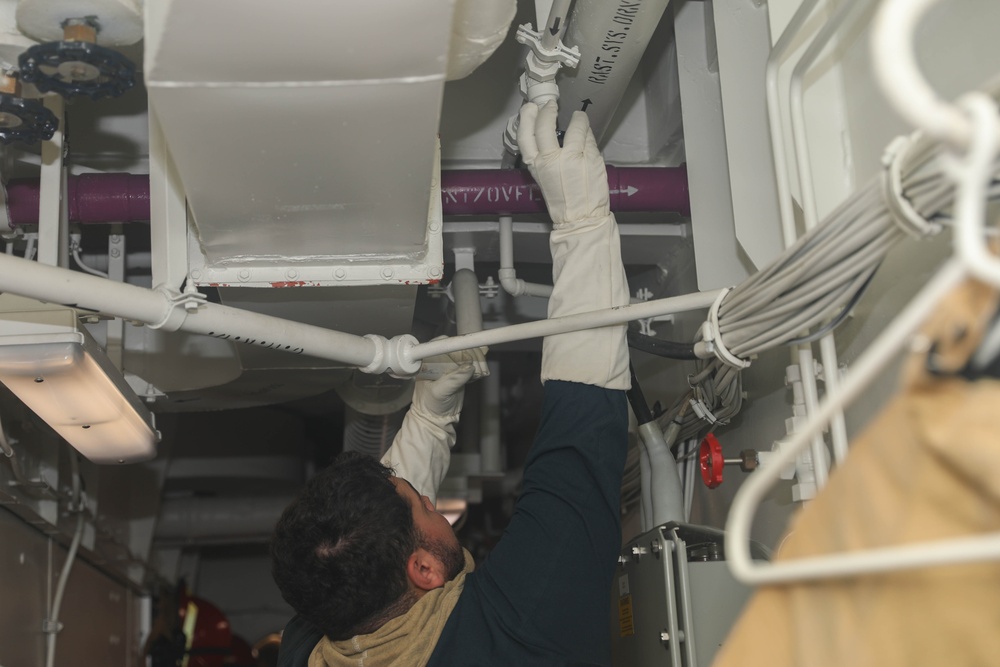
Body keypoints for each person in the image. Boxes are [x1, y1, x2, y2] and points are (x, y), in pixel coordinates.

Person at [271, 99, 631, 666]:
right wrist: (582, 220)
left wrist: (430, 416)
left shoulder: (318, 637)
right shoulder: (514, 634)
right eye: (425, 504)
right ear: (425, 570)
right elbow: (579, 449)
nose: (432, 502)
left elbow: (363, 545)